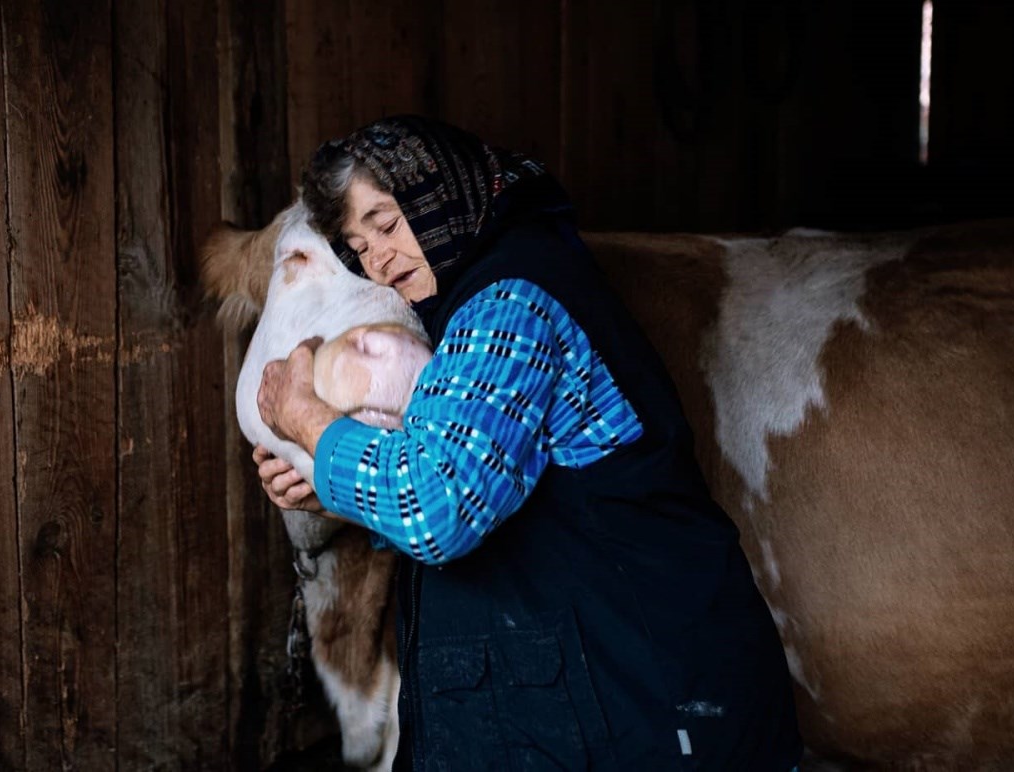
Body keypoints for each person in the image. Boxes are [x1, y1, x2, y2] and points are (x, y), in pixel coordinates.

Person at [255, 115, 802, 771]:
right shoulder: (479, 305)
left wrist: (308, 420)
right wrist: (337, 494)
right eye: (357, 243)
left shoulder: (510, 303)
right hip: (602, 695)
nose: (379, 258)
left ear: (444, 193)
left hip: (640, 699)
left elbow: (439, 510)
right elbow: (499, 490)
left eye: (387, 222)